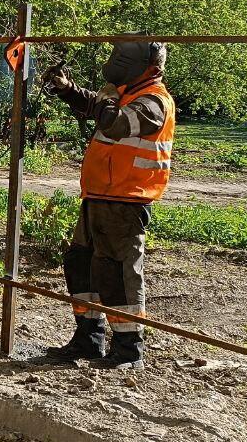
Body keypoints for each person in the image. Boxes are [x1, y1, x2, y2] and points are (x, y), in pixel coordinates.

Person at [40, 35, 175, 370]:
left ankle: (129, 350)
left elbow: (113, 122)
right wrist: (68, 89)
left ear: (151, 67)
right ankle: (89, 338)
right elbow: (99, 108)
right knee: (81, 264)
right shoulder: (127, 94)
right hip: (98, 197)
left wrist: (107, 96)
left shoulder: (155, 101)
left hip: (126, 201)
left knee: (116, 272)